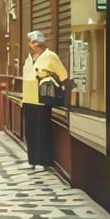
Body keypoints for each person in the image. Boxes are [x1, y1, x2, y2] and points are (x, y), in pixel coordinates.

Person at [22, 30, 68, 168]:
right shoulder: (29, 57)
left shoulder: (50, 56)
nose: (32, 44)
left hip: (41, 99)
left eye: (34, 42)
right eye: (31, 42)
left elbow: (63, 75)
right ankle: (33, 160)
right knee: (31, 131)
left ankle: (44, 160)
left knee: (42, 130)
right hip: (28, 98)